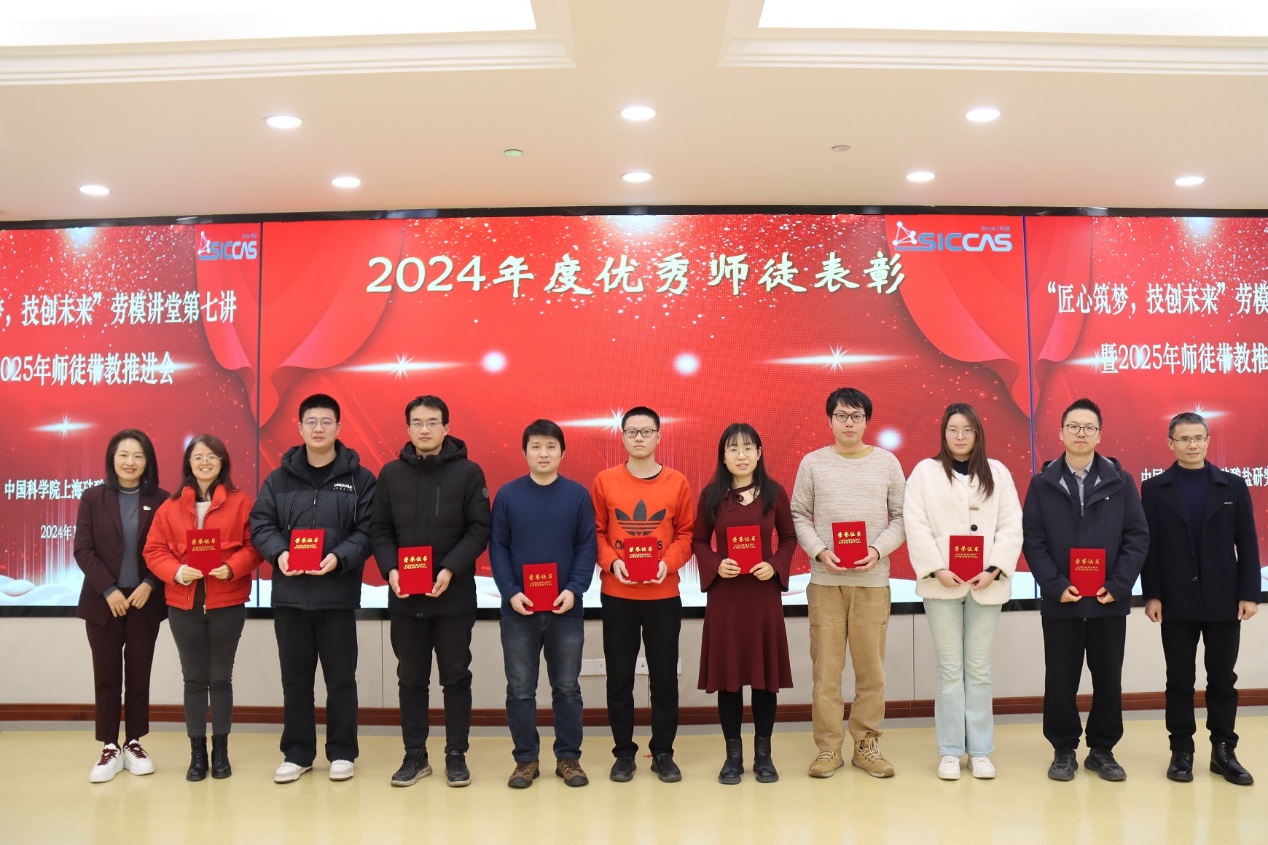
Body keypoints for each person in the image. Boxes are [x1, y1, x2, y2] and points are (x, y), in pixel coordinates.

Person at [250, 394, 376, 784]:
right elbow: (261, 524)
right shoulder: (278, 479)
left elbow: (368, 530)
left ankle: (342, 752)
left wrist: (339, 557)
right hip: (290, 597)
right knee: (296, 682)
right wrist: (280, 554)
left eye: (326, 421)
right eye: (311, 422)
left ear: (339, 427)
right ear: (300, 427)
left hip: (337, 596)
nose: (318, 428)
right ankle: (298, 753)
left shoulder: (360, 479)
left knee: (341, 680)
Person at [1022, 397, 1148, 782]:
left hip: (1108, 600)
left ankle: (1102, 750)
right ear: (1061, 433)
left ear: (1099, 435)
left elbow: (1137, 536)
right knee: (1061, 678)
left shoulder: (1120, 481)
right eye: (1074, 426)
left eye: (1089, 427)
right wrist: (1056, 586)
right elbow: (1033, 540)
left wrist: (1118, 585)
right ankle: (1063, 749)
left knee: (1108, 678)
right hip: (1062, 602)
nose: (1081, 433)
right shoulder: (1042, 483)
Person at [371, 395, 490, 788]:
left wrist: (449, 569)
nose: (425, 429)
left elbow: (479, 529)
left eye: (432, 422)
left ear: (446, 427)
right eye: (417, 422)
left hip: (453, 597)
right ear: (408, 428)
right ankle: (415, 756)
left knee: (455, 677)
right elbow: (379, 529)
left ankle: (456, 755)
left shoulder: (469, 473)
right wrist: (390, 569)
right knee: (410, 679)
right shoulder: (390, 474)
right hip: (406, 600)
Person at [903, 403, 1022, 781]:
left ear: (977, 434)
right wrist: (937, 568)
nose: (960, 436)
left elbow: (1011, 525)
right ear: (943, 433)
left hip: (987, 584)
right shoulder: (924, 472)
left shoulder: (997, 473)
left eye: (967, 430)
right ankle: (951, 750)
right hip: (941, 583)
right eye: (953, 429)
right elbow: (915, 523)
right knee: (950, 669)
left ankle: (981, 750)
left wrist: (994, 568)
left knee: (979, 669)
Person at [791, 387, 906, 779]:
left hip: (872, 581)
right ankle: (828, 748)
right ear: (830, 420)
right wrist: (820, 550)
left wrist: (877, 549)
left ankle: (866, 745)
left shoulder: (887, 463)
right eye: (841, 415)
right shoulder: (813, 463)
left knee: (871, 671)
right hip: (826, 581)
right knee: (826, 670)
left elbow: (901, 517)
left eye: (856, 416)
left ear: (867, 421)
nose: (849, 423)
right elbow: (799, 514)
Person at [1141, 411, 1260, 785]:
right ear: (1170, 443)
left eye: (1198, 437)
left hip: (1224, 598)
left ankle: (1224, 751)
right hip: (1175, 599)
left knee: (1223, 679)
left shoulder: (1232, 485)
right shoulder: (1155, 489)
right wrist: (1152, 595)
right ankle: (1182, 751)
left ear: (1208, 441)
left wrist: (1249, 593)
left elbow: (1248, 542)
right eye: (1184, 438)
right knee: (1179, 679)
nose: (1192, 444)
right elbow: (1149, 548)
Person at [145, 435, 263, 781]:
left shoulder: (241, 503)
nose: (205, 462)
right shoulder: (169, 507)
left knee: (221, 678)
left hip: (227, 602)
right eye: (198, 457)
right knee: (194, 679)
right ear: (189, 463)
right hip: (184, 604)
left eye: (212, 456)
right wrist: (177, 571)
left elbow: (255, 546)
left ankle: (220, 751)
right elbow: (153, 551)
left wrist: (232, 567)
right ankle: (197, 754)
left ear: (222, 462)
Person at [489, 419, 597, 789]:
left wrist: (574, 589)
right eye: (536, 446)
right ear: (525, 452)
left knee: (567, 687)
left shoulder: (577, 495)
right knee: (520, 689)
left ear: (562, 452)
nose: (544, 453)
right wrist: (510, 591)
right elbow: (498, 547)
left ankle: (568, 758)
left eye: (551, 446)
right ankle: (526, 760)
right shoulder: (508, 495)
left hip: (565, 608)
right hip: (518, 610)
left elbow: (586, 545)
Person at [591, 406, 694, 783]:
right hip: (618, 595)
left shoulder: (677, 482)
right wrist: (611, 562)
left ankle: (663, 752)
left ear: (658, 437)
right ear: (622, 437)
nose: (639, 438)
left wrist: (667, 563)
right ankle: (623, 752)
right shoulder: (605, 481)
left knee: (664, 678)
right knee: (619, 678)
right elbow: (595, 532)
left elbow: (686, 534)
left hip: (663, 596)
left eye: (646, 431)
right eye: (631, 431)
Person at [692, 423, 794, 785]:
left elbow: (788, 537)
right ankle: (732, 757)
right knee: (730, 679)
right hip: (727, 598)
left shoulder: (774, 493)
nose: (741, 455)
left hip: (763, 596)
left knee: (765, 681)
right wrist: (716, 564)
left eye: (748, 448)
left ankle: (763, 756)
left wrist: (776, 565)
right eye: (733, 449)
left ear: (759, 453)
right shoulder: (711, 495)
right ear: (723, 456)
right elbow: (699, 541)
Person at [74, 429, 168, 783]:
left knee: (139, 675)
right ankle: (109, 746)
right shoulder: (93, 497)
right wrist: (108, 589)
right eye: (123, 455)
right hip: (103, 602)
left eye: (138, 455)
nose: (130, 462)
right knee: (107, 675)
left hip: (145, 600)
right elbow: (83, 549)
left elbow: (170, 549)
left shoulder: (162, 499)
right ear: (112, 459)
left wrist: (150, 583)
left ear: (148, 462)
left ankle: (134, 742)